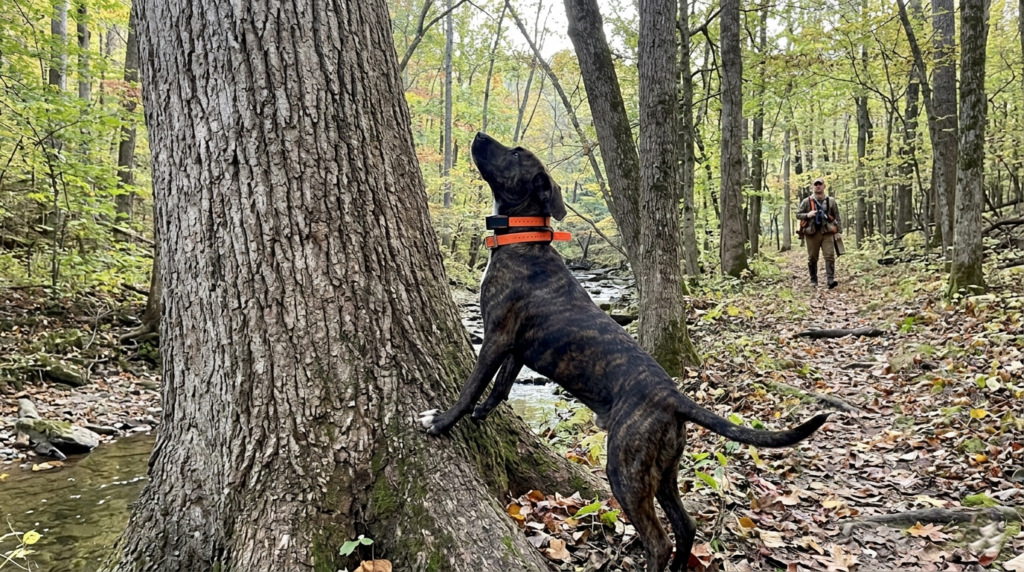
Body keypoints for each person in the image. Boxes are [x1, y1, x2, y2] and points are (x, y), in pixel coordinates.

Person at [796, 178, 842, 288]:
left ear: (824, 186)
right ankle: (813, 280)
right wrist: (808, 215)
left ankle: (830, 280)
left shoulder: (831, 201)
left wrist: (839, 231)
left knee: (830, 256)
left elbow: (837, 216)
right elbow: (798, 214)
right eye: (816, 184)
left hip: (827, 232)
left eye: (820, 184)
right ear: (813, 186)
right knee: (812, 257)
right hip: (811, 233)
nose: (818, 186)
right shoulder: (807, 201)